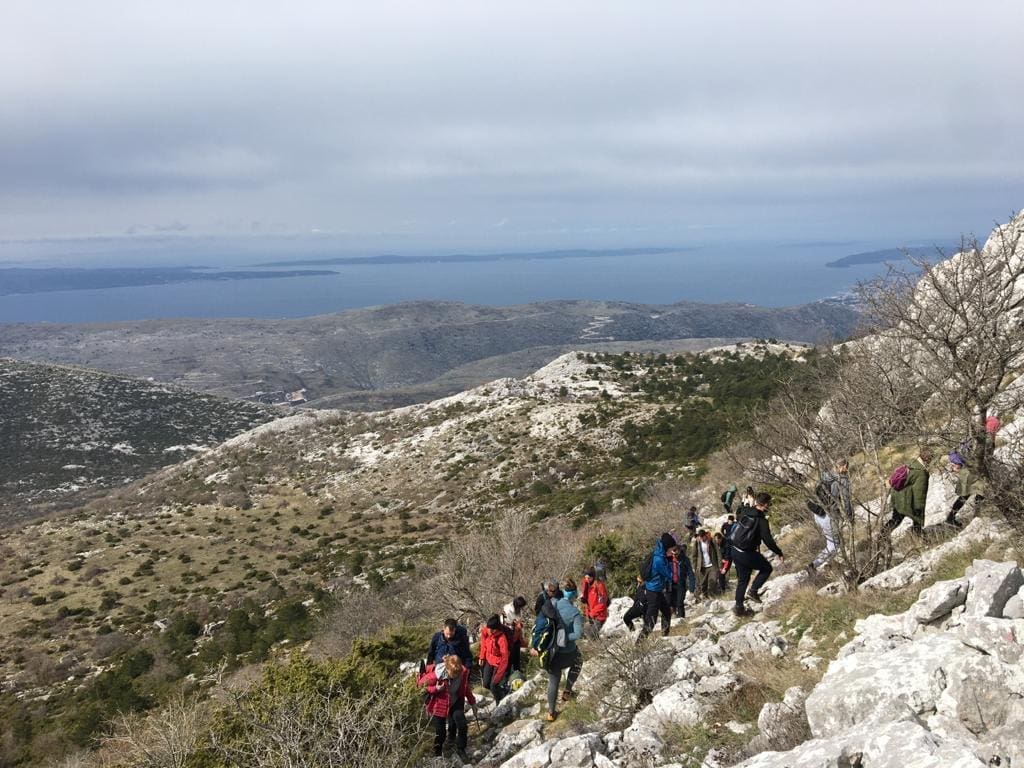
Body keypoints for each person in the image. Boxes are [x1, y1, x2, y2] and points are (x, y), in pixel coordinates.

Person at [530, 585, 584, 722]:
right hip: (568, 653)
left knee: (553, 682)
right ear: (574, 595)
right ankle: (567, 690)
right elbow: (578, 634)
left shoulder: (551, 605)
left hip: (551, 654)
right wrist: (565, 638)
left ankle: (551, 712)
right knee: (579, 661)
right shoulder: (575, 613)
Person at [731, 492, 784, 617]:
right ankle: (753, 591)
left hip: (734, 549)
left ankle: (739, 607)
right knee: (766, 568)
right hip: (747, 552)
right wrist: (779, 552)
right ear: (765, 504)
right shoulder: (761, 520)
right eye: (769, 504)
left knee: (743, 579)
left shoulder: (745, 511)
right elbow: (768, 540)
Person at [418, 654, 478, 760]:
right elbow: (420, 685)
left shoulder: (462, 672)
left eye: (457, 673)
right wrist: (435, 688)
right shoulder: (436, 675)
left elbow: (465, 688)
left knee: (462, 724)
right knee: (441, 733)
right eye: (453, 673)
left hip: (455, 702)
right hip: (438, 705)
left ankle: (461, 748)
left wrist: (472, 702)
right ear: (447, 669)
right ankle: (437, 754)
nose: (456, 676)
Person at [884, 447, 932, 535]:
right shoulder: (922, 473)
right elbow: (919, 493)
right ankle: (919, 535)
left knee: (895, 520)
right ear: (928, 459)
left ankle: (882, 537)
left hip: (897, 495)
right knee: (914, 517)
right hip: (905, 499)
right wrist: (919, 508)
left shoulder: (911, 463)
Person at [638, 533, 674, 640]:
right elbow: (669, 575)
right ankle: (639, 644)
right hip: (653, 592)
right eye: (671, 548)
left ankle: (665, 637)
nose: (672, 551)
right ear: (667, 547)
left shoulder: (659, 554)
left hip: (657, 590)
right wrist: (671, 561)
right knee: (651, 622)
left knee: (667, 612)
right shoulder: (659, 559)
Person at [946, 451, 985, 528]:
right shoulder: (978, 441)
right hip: (970, 471)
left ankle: (951, 517)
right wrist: (958, 463)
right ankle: (976, 516)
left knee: (969, 495)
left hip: (972, 470)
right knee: (977, 492)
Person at [478, 614, 510, 704]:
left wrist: (498, 676)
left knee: (493, 685)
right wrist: (482, 657)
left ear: (497, 629)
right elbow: (483, 644)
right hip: (489, 659)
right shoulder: (486, 631)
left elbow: (504, 659)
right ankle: (501, 692)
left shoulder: (502, 639)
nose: (489, 631)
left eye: (492, 629)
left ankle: (499, 701)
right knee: (486, 684)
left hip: (499, 663)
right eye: (488, 628)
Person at [806, 501, 838, 576]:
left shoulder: (816, 516)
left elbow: (818, 525)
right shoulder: (827, 512)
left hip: (827, 532)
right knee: (834, 548)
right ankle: (826, 564)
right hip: (833, 531)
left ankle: (814, 563)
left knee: (830, 548)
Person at [691, 528, 722, 600]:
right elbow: (694, 556)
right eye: (700, 537)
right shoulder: (697, 542)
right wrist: (695, 567)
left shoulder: (711, 541)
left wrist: (720, 565)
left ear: (705, 535)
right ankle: (704, 597)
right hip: (702, 567)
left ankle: (712, 597)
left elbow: (718, 552)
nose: (702, 538)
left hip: (712, 565)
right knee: (703, 584)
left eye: (703, 537)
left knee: (713, 582)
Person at [501, 596, 528, 673]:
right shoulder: (508, 610)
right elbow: (505, 624)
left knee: (516, 655)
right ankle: (507, 673)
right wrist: (515, 624)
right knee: (510, 656)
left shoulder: (518, 610)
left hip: (516, 635)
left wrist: (519, 624)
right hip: (509, 635)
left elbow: (519, 620)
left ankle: (517, 671)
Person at [668, 544, 696, 617]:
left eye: (676, 554)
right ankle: (672, 619)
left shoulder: (685, 560)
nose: (674, 556)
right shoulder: (668, 559)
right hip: (670, 584)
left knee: (680, 603)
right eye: (672, 554)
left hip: (681, 584)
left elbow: (690, 574)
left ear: (679, 551)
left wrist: (691, 589)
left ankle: (681, 619)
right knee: (670, 603)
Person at [582, 565, 610, 637]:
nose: (587, 579)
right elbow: (587, 600)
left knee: (591, 635)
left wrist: (592, 613)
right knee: (583, 632)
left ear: (593, 577)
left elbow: (602, 604)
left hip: (599, 616)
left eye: (589, 578)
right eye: (586, 577)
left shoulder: (599, 586)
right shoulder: (587, 584)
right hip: (591, 615)